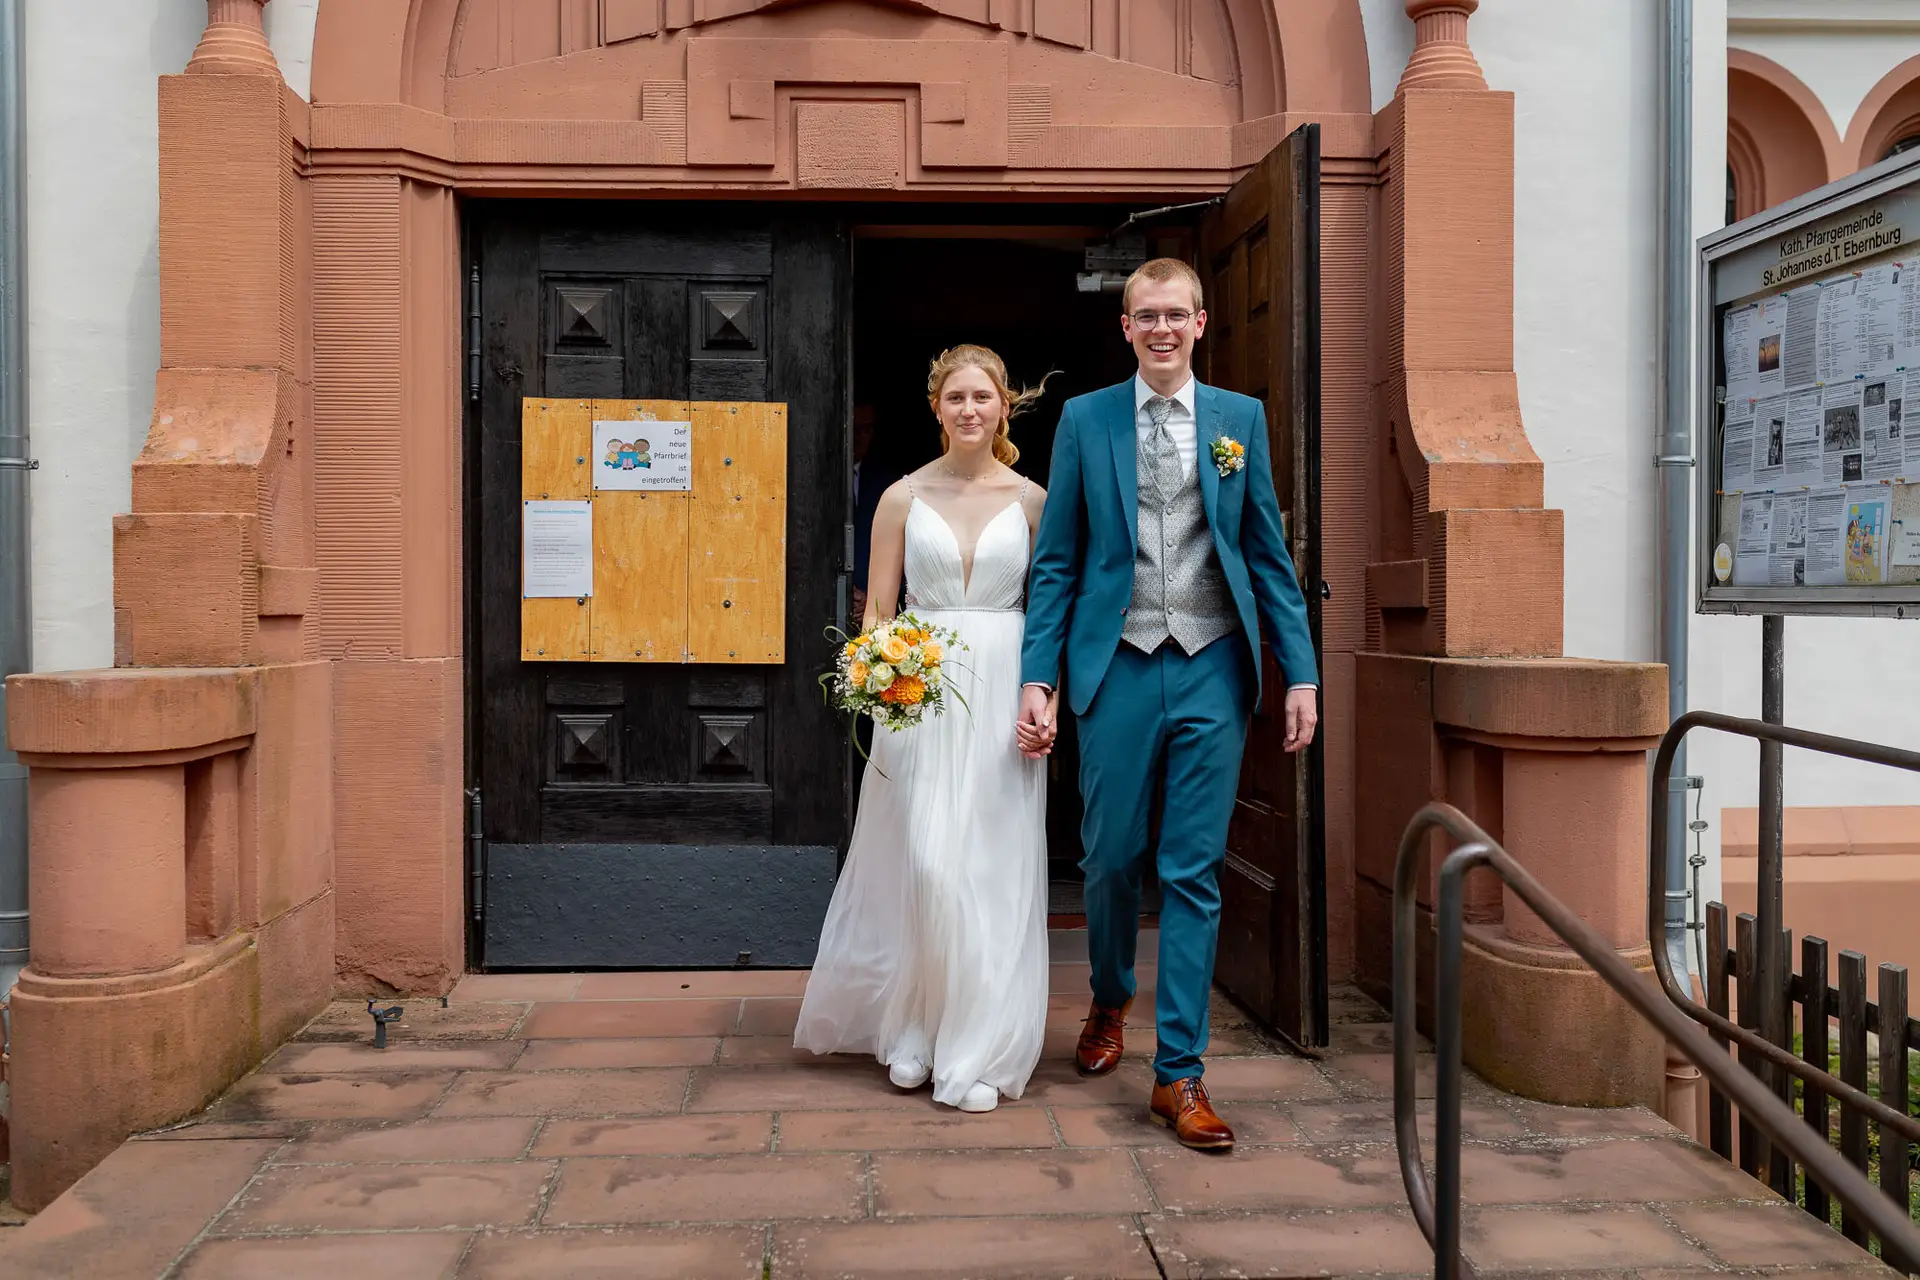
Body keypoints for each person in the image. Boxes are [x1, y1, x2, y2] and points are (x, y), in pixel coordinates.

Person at [1016, 257, 1319, 1152]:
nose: (1160, 328)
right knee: (1108, 858)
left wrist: (1298, 671)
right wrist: (1041, 673)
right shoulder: (1084, 420)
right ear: (1125, 327)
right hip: (1115, 663)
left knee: (1192, 870)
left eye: (1174, 315)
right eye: (1144, 314)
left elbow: (1267, 551)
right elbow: (1060, 561)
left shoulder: (1239, 422)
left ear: (1199, 323)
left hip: (1212, 666)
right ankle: (1110, 998)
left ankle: (1179, 1072)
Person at [795, 346, 1056, 1114]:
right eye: (955, 398)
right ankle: (913, 1024)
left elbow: (1049, 614)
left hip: (1006, 685)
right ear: (936, 408)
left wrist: (1045, 696)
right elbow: (877, 612)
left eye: (983, 396)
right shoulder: (902, 499)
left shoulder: (1037, 501)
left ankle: (975, 1043)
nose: (969, 409)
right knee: (926, 862)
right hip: (921, 689)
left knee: (991, 867)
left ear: (1005, 405)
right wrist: (876, 685)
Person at [850, 402, 899, 626]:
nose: (859, 437)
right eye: (853, 428)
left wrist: (873, 599)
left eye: (866, 429)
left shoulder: (889, 486)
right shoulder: (809, 477)